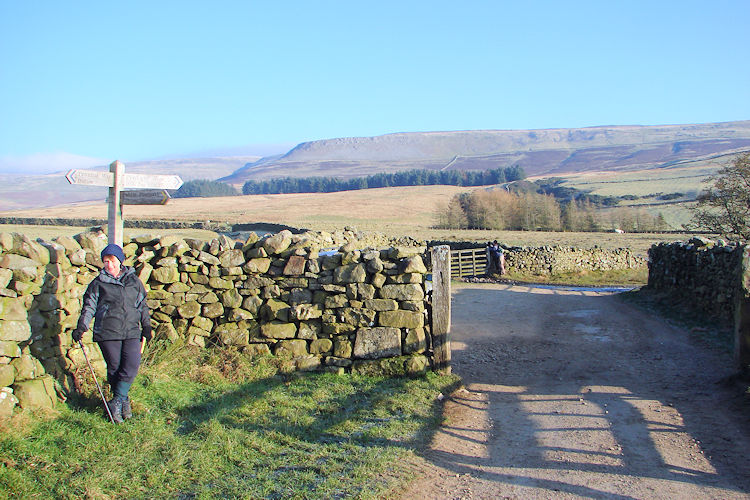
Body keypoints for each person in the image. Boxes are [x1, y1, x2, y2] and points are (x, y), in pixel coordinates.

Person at [72, 243, 152, 423]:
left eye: (112, 260)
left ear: (120, 261)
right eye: (105, 261)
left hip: (132, 330)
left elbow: (142, 305)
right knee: (115, 368)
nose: (109, 265)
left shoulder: (133, 281)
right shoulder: (98, 283)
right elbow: (89, 307)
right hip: (108, 332)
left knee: (131, 365)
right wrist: (81, 327)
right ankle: (122, 403)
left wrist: (146, 326)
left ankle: (116, 401)